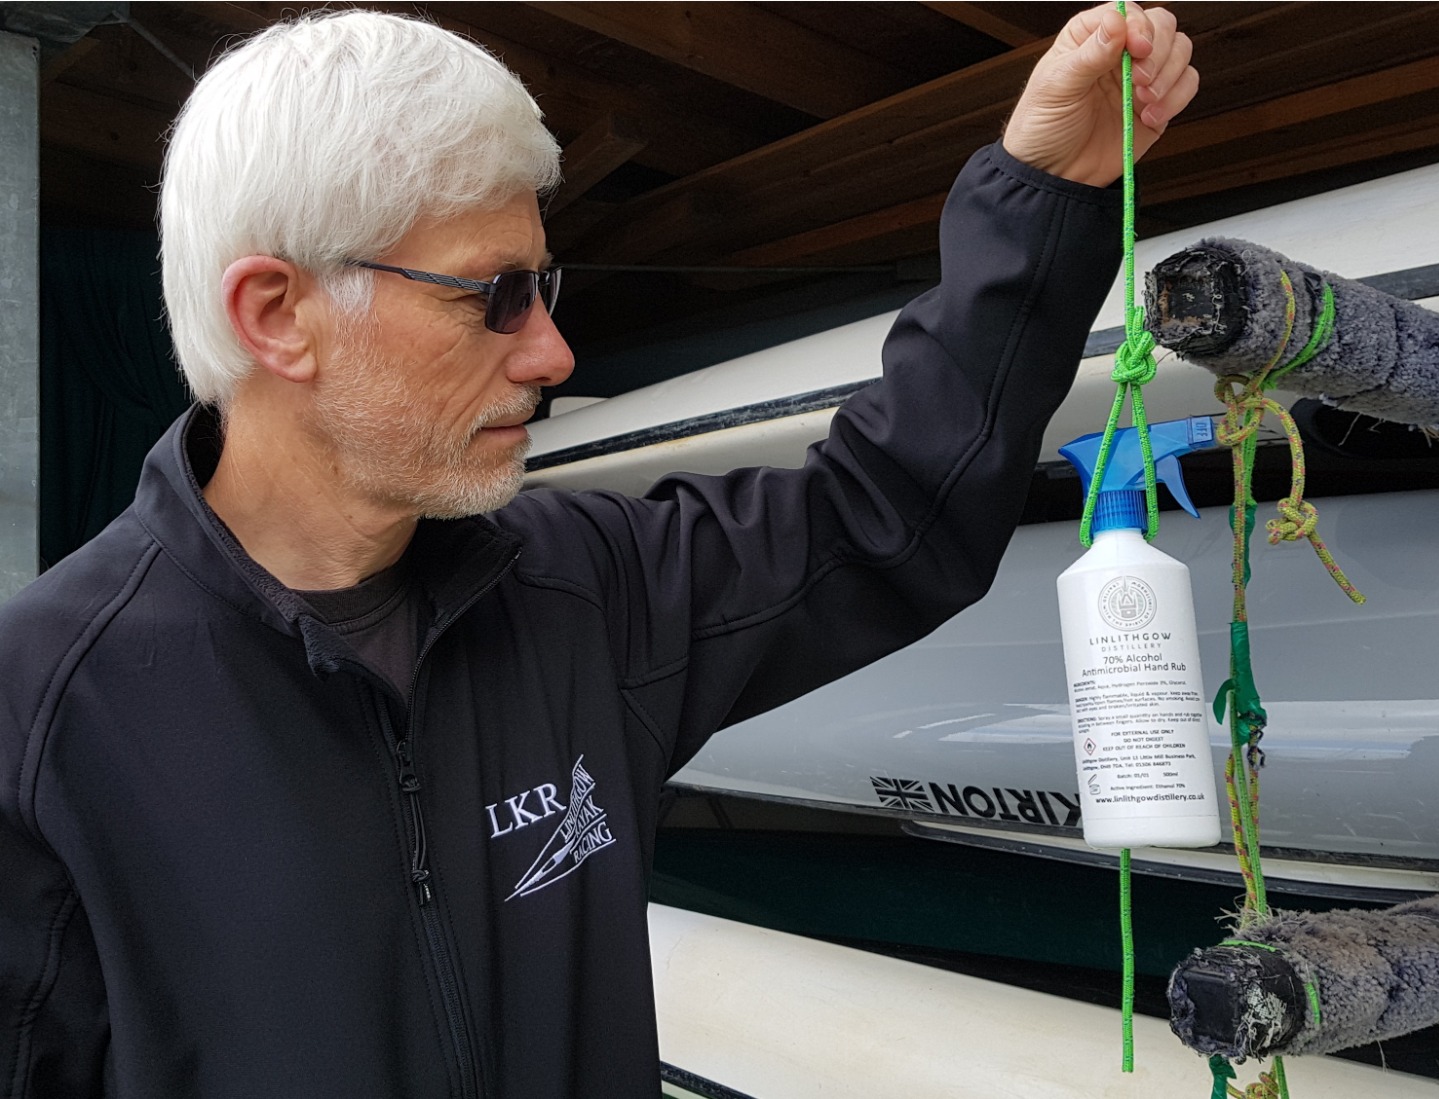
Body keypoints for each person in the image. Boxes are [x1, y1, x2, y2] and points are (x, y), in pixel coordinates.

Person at [0, 4, 1196, 1096]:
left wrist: (1044, 193)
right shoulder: (41, 715)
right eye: (493, 295)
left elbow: (884, 517)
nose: (554, 353)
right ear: (278, 315)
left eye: (544, 286)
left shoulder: (583, 590)